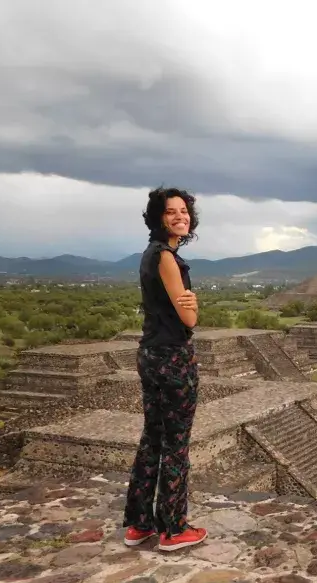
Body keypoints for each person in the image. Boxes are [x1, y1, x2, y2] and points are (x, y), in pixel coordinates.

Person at [122, 187, 208, 552]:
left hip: (151, 354)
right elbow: (188, 316)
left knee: (152, 439)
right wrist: (195, 304)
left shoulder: (149, 255)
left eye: (184, 211)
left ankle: (139, 524)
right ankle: (174, 528)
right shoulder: (167, 258)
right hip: (173, 357)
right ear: (158, 217)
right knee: (176, 444)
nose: (180, 217)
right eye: (171, 212)